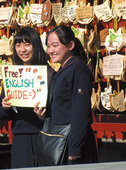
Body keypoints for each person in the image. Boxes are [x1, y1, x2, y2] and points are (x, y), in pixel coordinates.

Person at [34, 25, 98, 165]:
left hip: (73, 145)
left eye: (55, 45)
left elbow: (81, 111)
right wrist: (43, 115)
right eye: (48, 46)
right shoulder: (62, 71)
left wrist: (75, 147)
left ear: (71, 45)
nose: (50, 51)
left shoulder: (78, 69)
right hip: (60, 141)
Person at [0, 27, 54, 168]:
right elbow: (1, 114)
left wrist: (43, 117)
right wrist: (5, 107)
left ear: (36, 46)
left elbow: (57, 110)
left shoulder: (49, 74)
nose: (22, 50)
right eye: (18, 45)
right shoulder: (13, 75)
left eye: (27, 44)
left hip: (44, 136)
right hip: (20, 137)